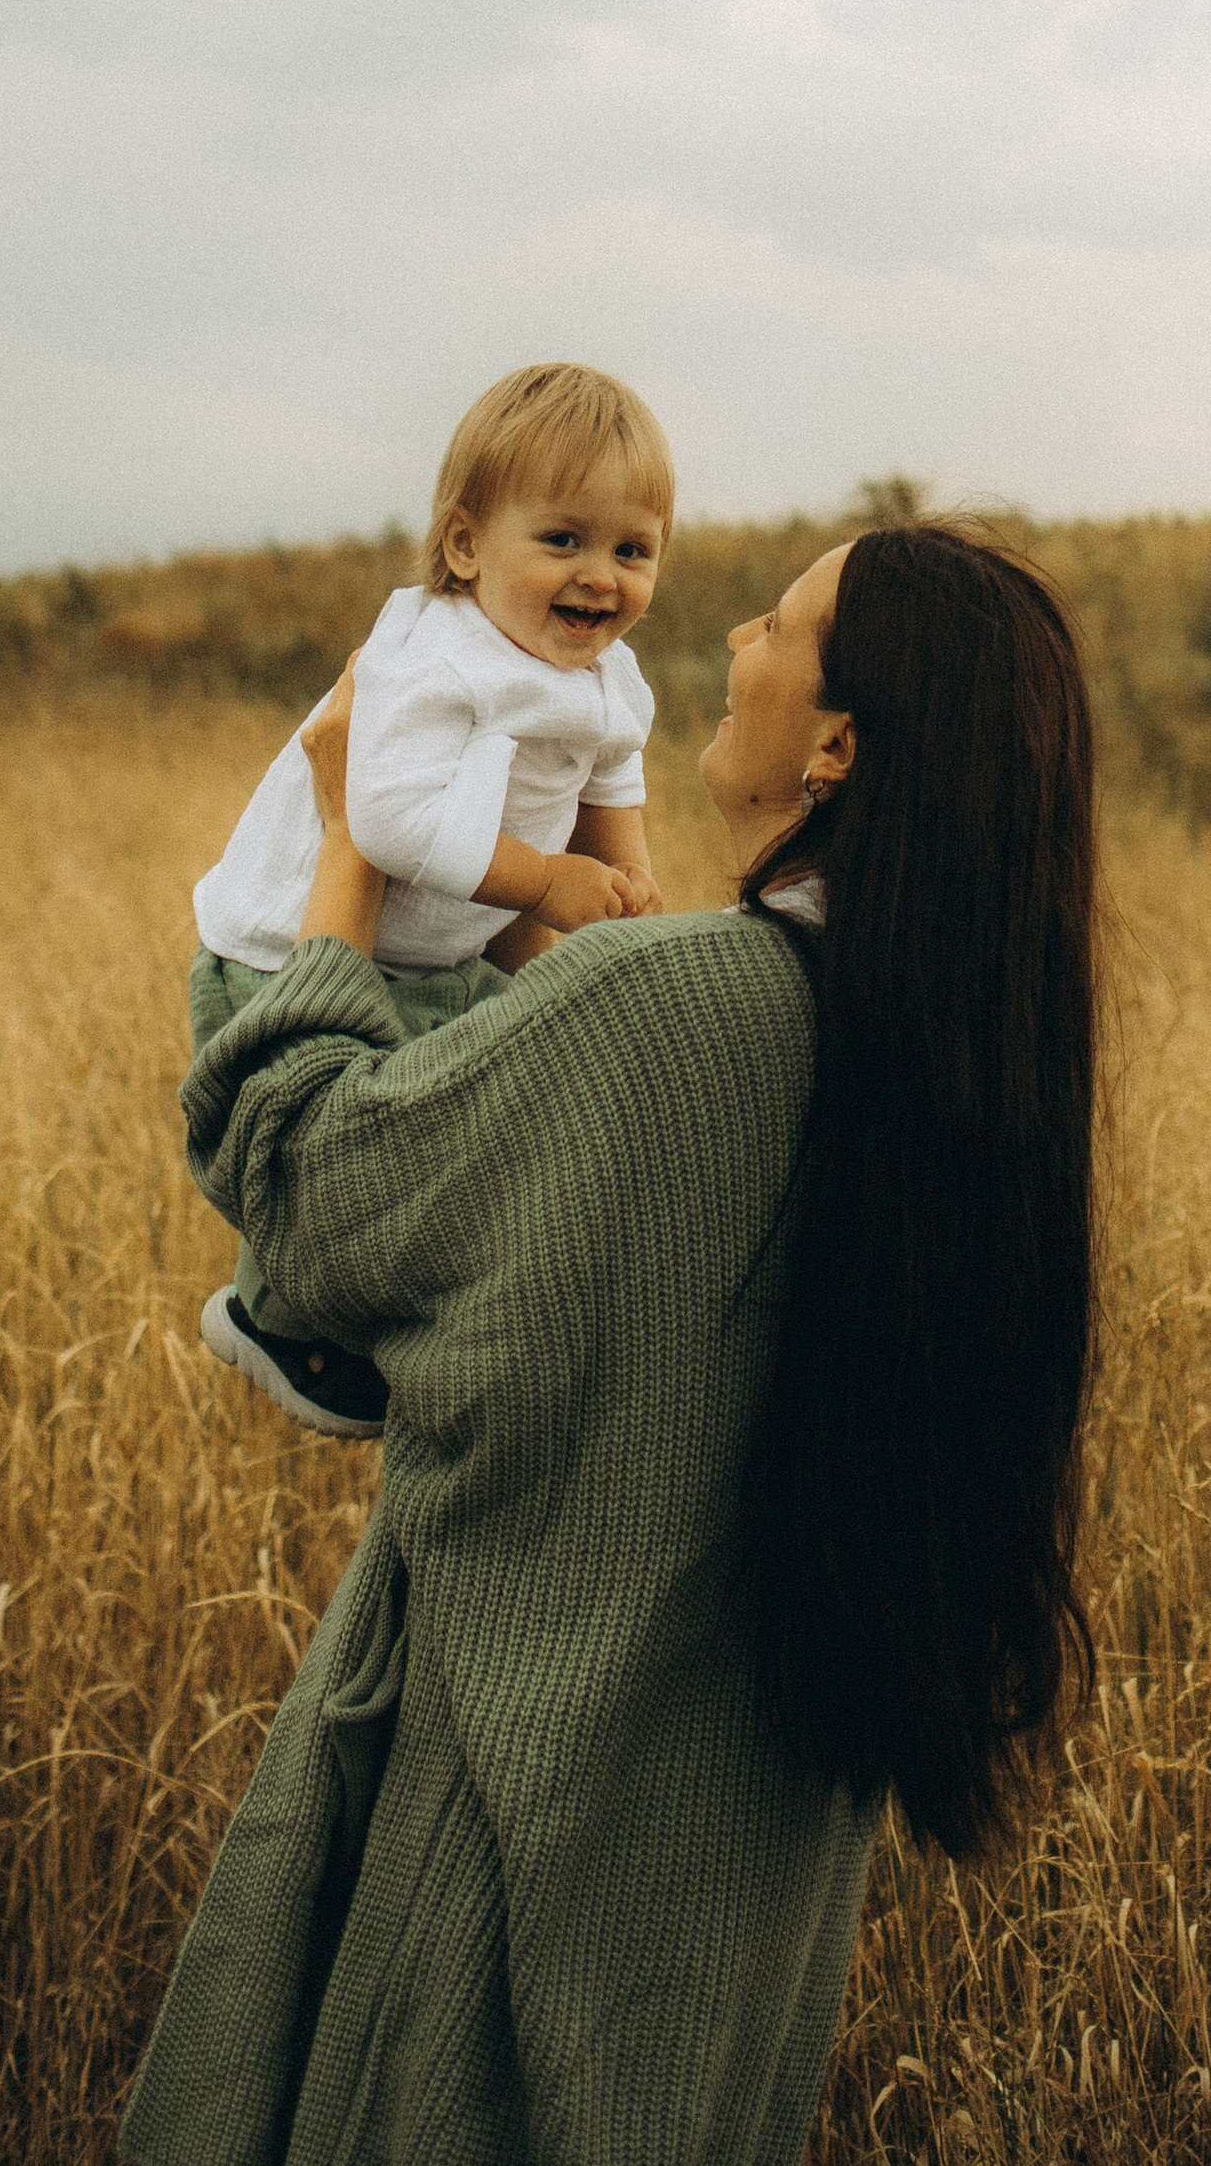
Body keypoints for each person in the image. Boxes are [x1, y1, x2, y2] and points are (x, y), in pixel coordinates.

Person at [121, 520, 1104, 2166]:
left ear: (840, 743)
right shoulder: (967, 1090)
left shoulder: (682, 1004)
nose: (730, 637)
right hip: (735, 1907)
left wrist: (355, 848)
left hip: (505, 1850)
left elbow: (305, 1189)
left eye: (781, 625)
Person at [189, 362, 671, 1435]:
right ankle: (274, 1319)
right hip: (285, 952)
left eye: (632, 549)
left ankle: (440, 1320)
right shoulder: (432, 657)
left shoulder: (605, 673)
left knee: (504, 1106)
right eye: (563, 539)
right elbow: (389, 820)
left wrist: (629, 883)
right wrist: (549, 882)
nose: (601, 575)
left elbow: (611, 770)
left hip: (436, 955)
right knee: (340, 1154)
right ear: (465, 547)